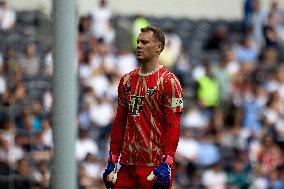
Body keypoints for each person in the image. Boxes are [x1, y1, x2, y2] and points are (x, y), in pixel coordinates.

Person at [103, 26, 183, 189]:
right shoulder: (126, 81)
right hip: (127, 165)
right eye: (138, 42)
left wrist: (167, 161)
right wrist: (112, 159)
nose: (139, 45)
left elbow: (173, 124)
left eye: (144, 42)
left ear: (159, 47)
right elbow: (119, 122)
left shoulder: (170, 82)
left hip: (154, 167)